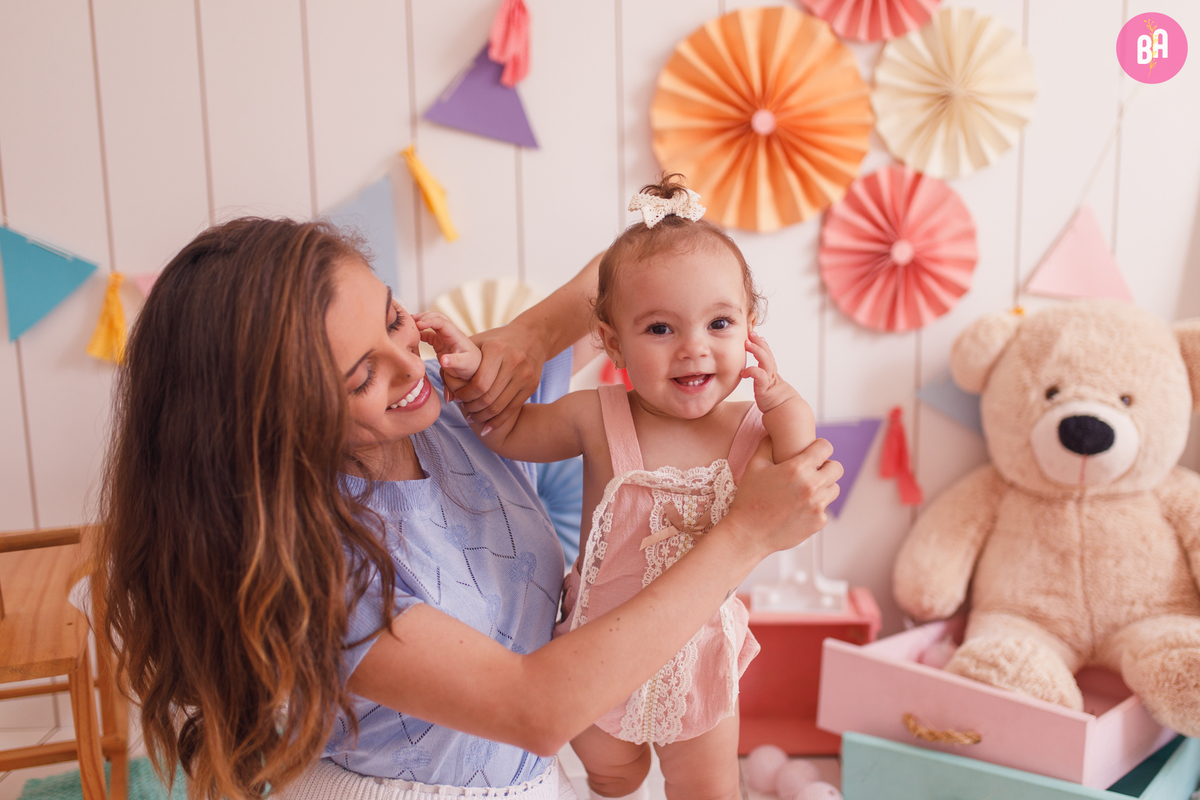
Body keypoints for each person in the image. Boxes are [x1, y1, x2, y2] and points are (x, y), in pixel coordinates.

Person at [97, 216, 842, 800]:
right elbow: (537, 709)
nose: (407, 370)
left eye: (394, 321)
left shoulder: (456, 418)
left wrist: (521, 340)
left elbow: (644, 260)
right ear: (272, 420)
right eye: (362, 375)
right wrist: (745, 535)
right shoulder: (316, 563)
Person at [438, 175, 816, 800]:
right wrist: (474, 372)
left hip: (698, 657)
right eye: (660, 330)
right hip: (596, 654)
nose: (693, 348)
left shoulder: (751, 428)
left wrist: (784, 402)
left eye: (719, 323)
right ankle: (617, 782)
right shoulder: (596, 415)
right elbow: (508, 431)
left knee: (710, 786)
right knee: (615, 772)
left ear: (751, 327)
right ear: (613, 342)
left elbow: (802, 473)